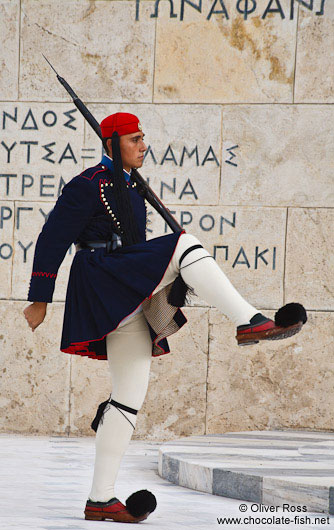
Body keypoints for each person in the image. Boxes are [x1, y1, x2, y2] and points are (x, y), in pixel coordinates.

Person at [23, 112, 306, 523]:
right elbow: (52, 238)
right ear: (114, 141)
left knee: (127, 398)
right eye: (135, 139)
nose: (143, 145)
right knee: (185, 244)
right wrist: (40, 298)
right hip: (102, 275)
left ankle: (100, 500)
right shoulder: (87, 185)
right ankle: (249, 320)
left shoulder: (133, 189)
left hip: (125, 286)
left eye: (143, 138)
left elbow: (137, 247)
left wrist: (162, 283)